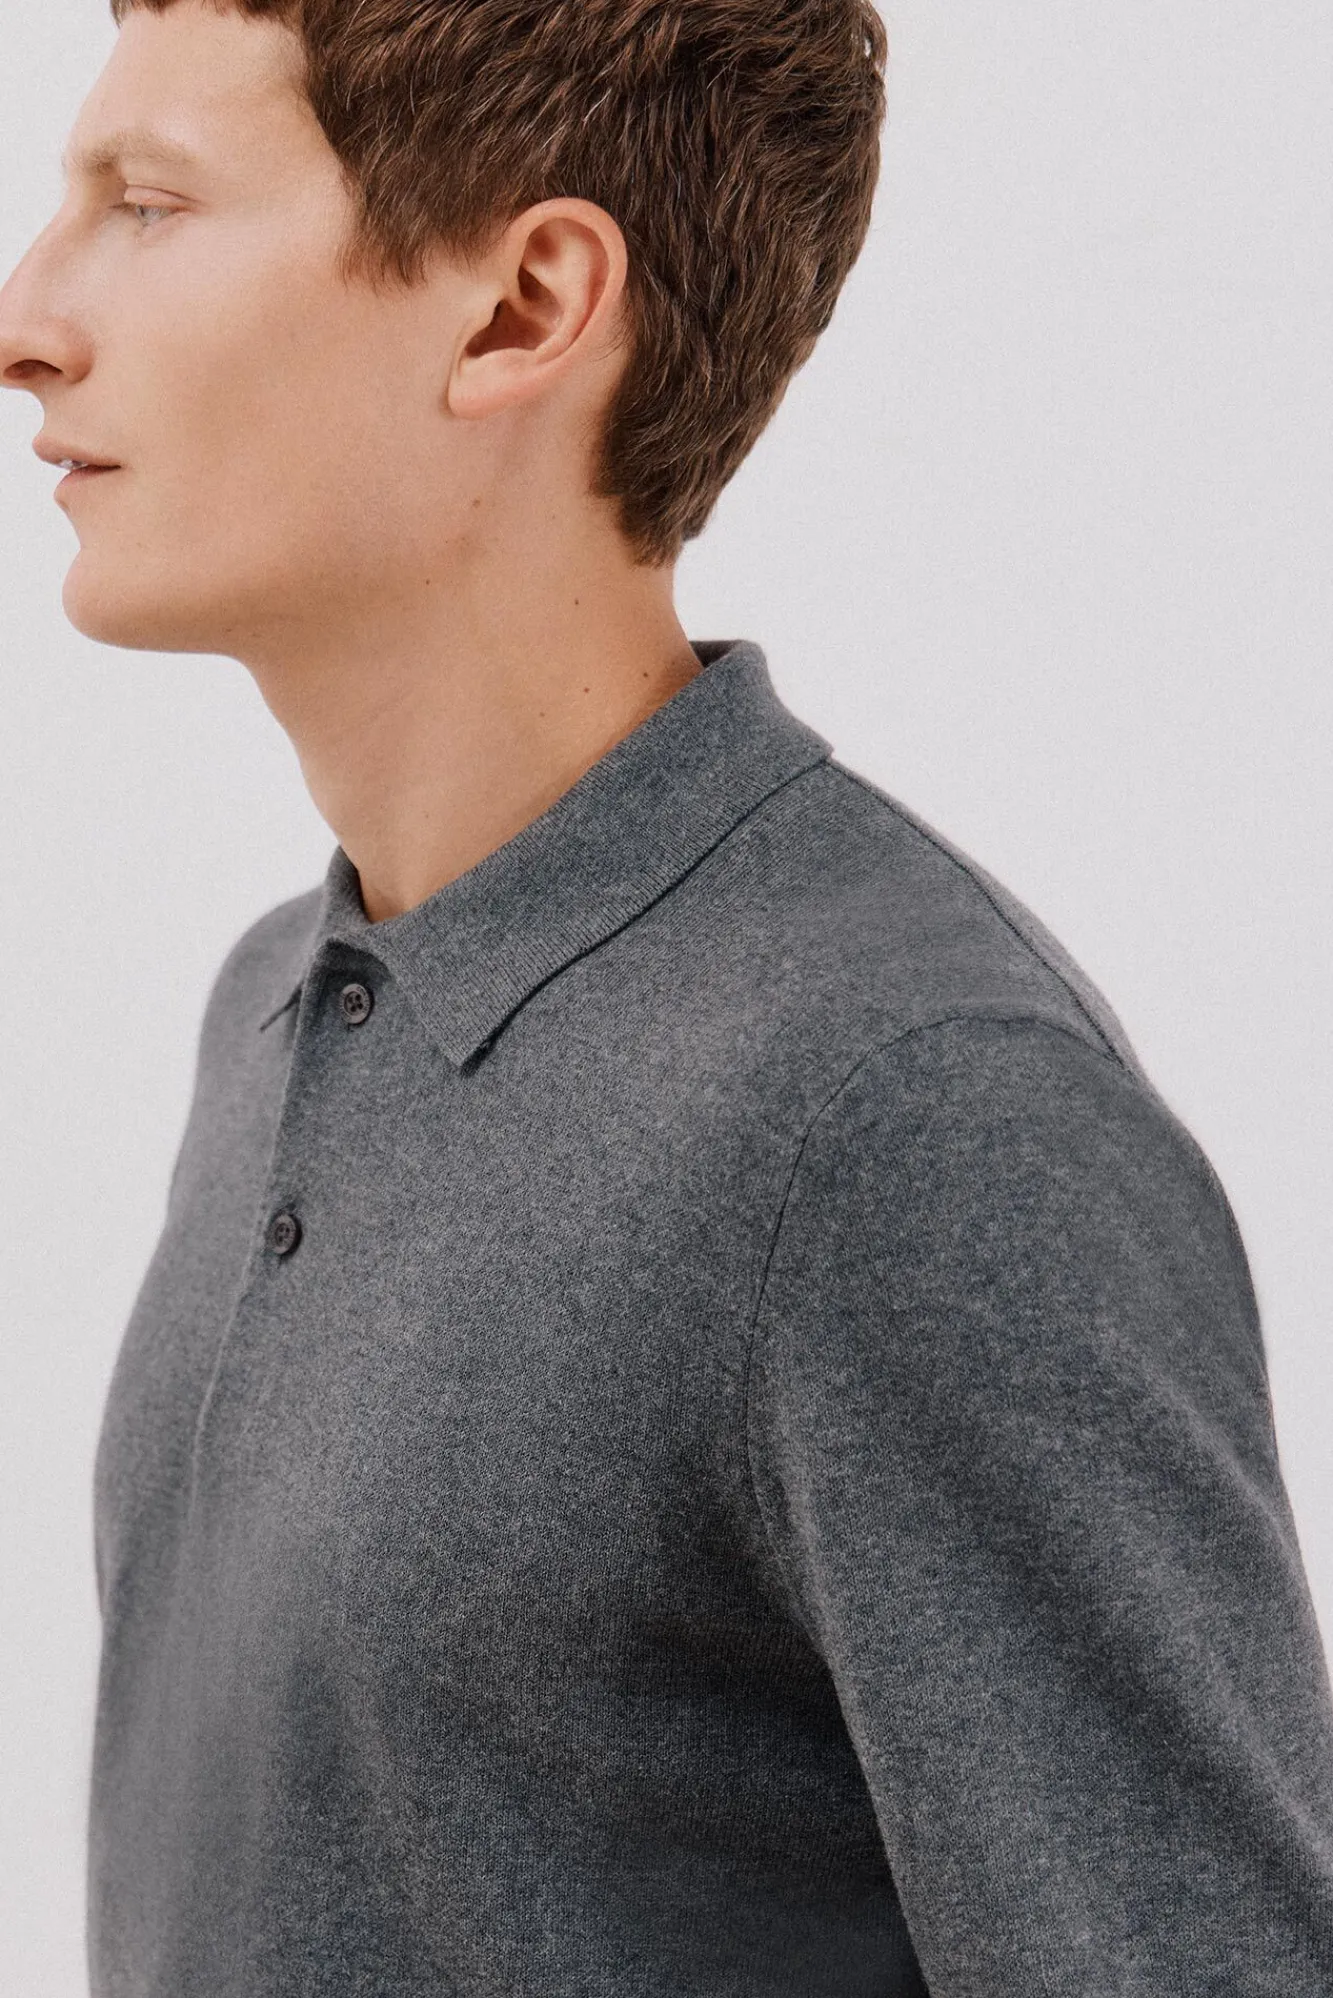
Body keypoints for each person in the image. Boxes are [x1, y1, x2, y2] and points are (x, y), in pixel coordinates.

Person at [3, 0, 1331, 1991]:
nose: (29, 318)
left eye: (151, 204)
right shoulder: (279, 1001)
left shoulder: (911, 1112)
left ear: (522, 307)